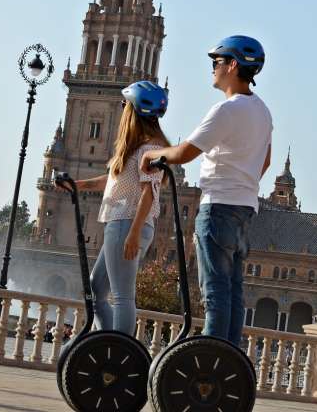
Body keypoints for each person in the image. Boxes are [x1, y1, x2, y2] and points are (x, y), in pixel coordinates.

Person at [141, 36, 272, 346]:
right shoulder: (263, 111)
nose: (213, 68)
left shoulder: (226, 110)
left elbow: (186, 152)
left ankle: (212, 357)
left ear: (233, 65)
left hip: (218, 208)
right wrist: (242, 180)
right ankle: (229, 354)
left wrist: (152, 156)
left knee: (214, 292)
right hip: (244, 209)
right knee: (233, 291)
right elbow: (265, 160)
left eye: (217, 62)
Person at [72, 80, 169, 332]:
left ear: (133, 110)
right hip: (122, 223)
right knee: (96, 289)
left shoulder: (151, 148)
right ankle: (107, 340)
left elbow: (149, 192)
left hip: (127, 223)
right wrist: (78, 185)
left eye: (124, 104)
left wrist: (134, 233)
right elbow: (115, 179)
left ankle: (120, 349)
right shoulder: (138, 147)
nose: (122, 108)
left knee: (123, 296)